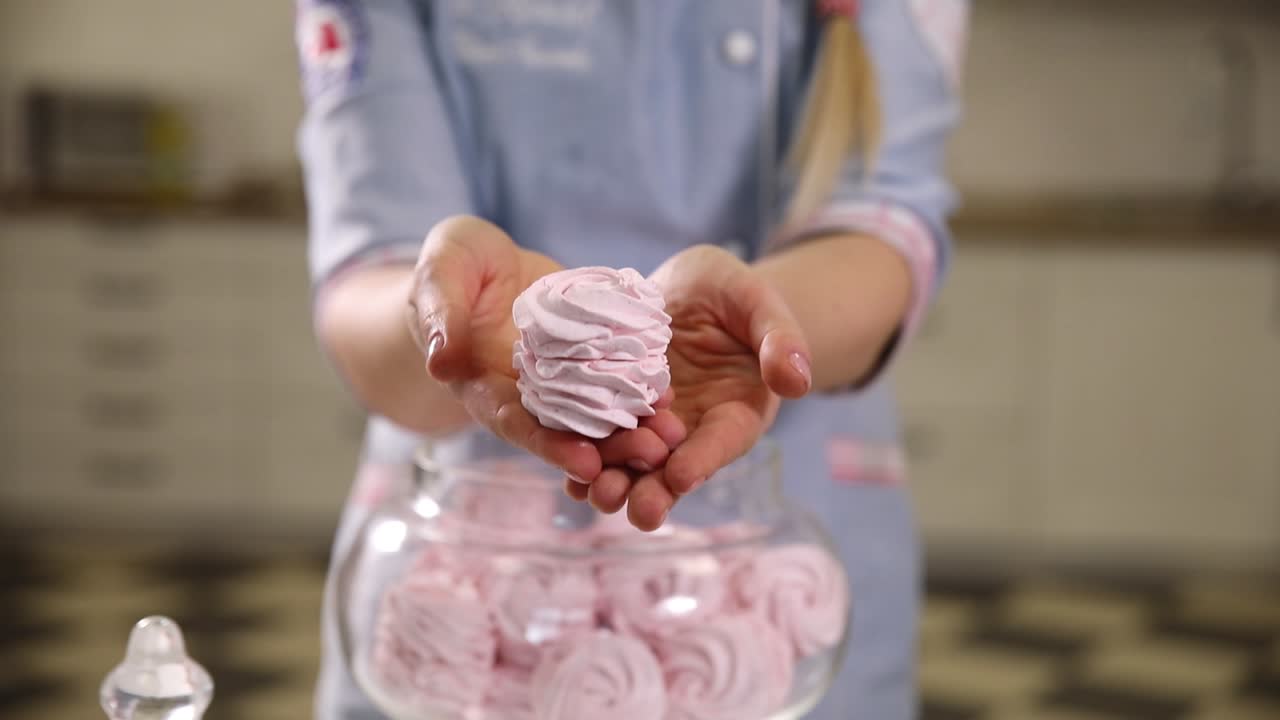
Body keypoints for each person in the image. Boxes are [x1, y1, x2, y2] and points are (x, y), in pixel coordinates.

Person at [295, 0, 967, 717]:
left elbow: (886, 227)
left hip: (779, 568)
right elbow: (367, 267)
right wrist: (446, 321)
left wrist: (752, 321)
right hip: (460, 579)